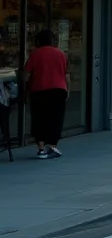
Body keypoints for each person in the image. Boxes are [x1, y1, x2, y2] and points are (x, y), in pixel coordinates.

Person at [21, 30, 68, 160]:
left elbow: (26, 74)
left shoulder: (35, 54)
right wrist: (67, 90)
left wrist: (25, 88)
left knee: (39, 118)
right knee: (56, 118)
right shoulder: (61, 54)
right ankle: (53, 146)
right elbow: (66, 74)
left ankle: (41, 148)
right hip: (58, 89)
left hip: (39, 89)